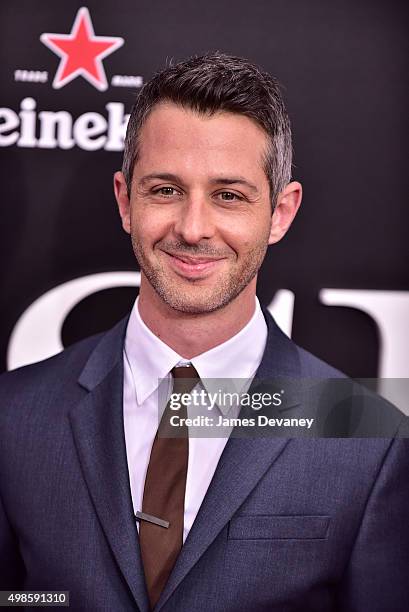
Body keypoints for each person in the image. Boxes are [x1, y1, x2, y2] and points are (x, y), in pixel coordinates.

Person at [0, 52, 408, 612]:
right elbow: (21, 598)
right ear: (125, 199)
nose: (193, 229)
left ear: (281, 213)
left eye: (229, 195)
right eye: (165, 190)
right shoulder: (13, 416)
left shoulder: (371, 439)